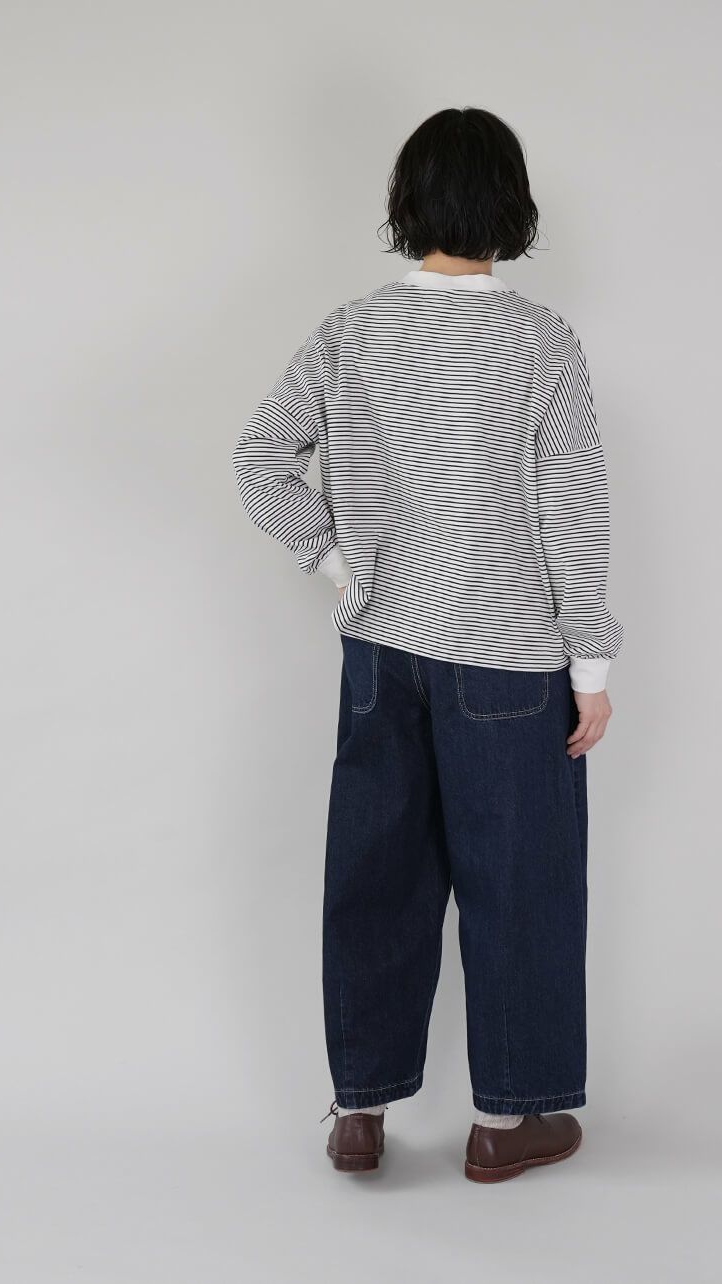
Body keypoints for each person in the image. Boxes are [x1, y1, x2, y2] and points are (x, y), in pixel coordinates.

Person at [232, 106, 622, 1183]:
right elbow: (573, 504)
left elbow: (260, 456)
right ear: (511, 206)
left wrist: (337, 567)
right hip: (508, 657)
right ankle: (505, 1122)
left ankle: (358, 1110)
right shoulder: (539, 341)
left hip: (381, 654)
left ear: (406, 203)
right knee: (519, 884)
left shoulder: (352, 330)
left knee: (375, 875)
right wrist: (590, 662)